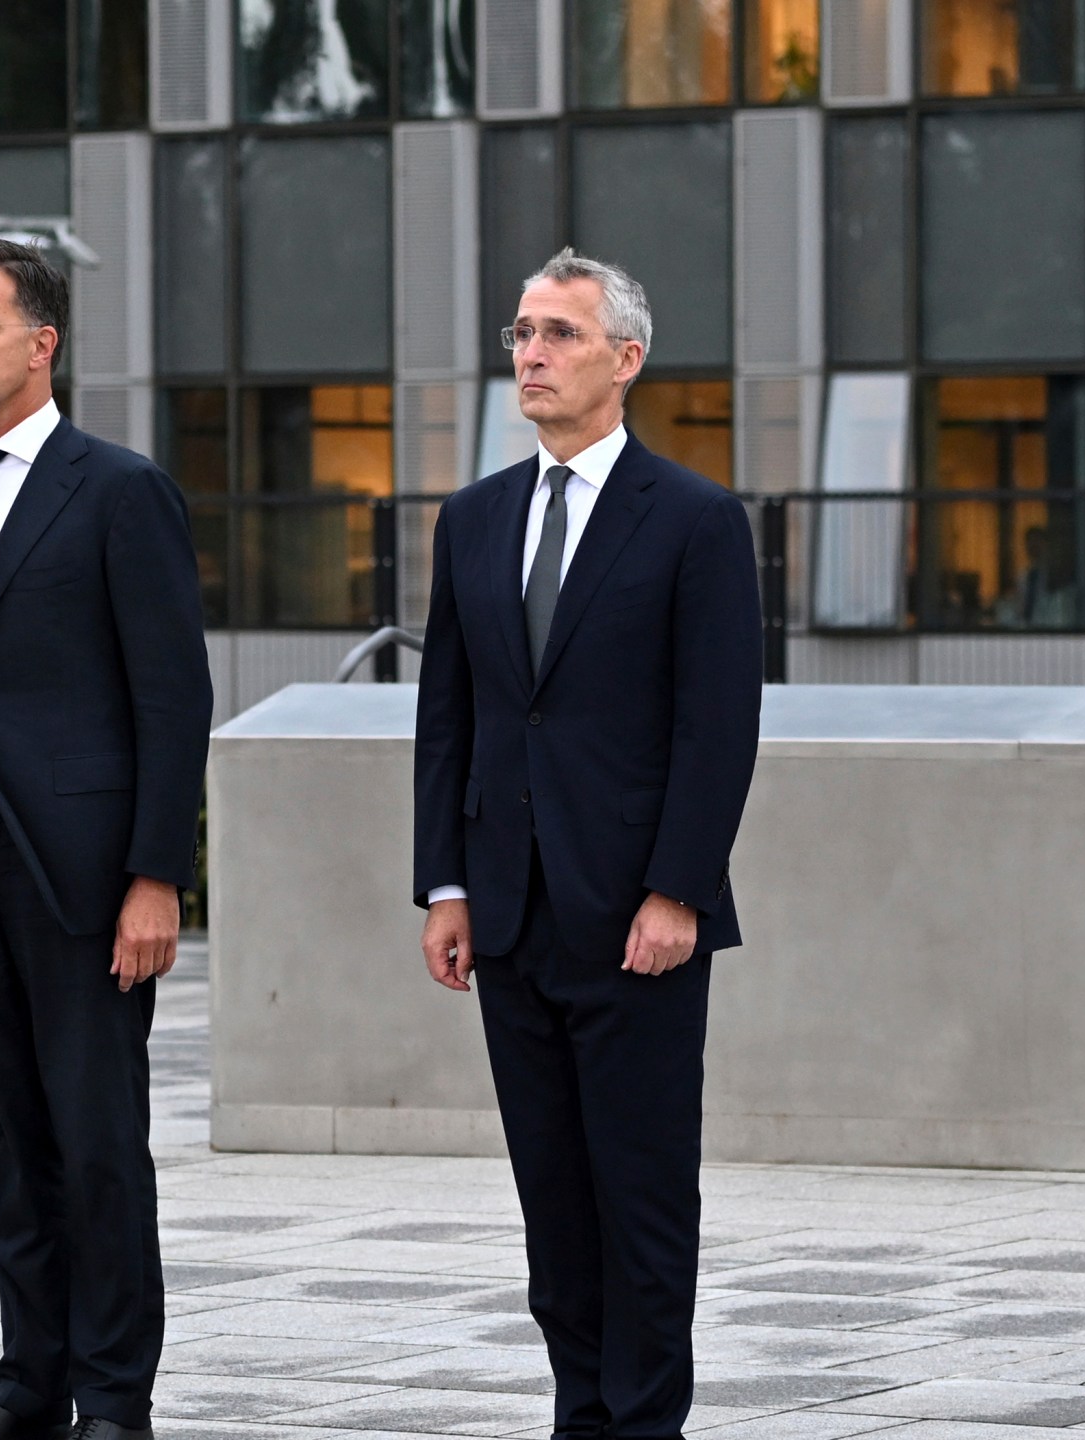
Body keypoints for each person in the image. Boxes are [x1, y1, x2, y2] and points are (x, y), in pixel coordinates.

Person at [413, 248, 763, 1440]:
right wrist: (445, 885)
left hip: (635, 925)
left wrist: (676, 892)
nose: (531, 355)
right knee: (553, 1203)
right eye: (520, 333)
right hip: (508, 917)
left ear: (625, 360)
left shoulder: (698, 523)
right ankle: (580, 1414)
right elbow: (448, 717)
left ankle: (644, 1421)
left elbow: (717, 728)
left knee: (642, 1196)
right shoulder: (472, 521)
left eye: (558, 334)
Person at [0, 220, 212, 1440]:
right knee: (10, 1157)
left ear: (45, 343)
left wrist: (155, 878)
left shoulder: (123, 491)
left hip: (92, 887)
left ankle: (112, 1397)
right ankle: (28, 1384)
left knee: (98, 1152)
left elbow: (170, 697)